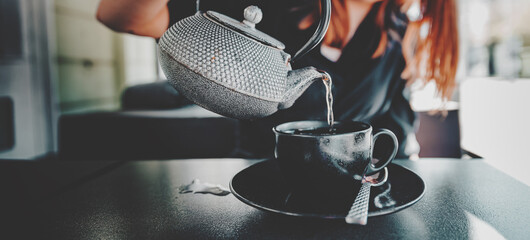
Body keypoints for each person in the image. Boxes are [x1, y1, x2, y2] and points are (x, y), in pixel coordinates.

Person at [96, 0, 459, 159]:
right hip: (260, 182)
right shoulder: (269, 5)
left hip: (351, 196)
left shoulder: (402, 36)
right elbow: (119, 16)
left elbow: (393, 128)